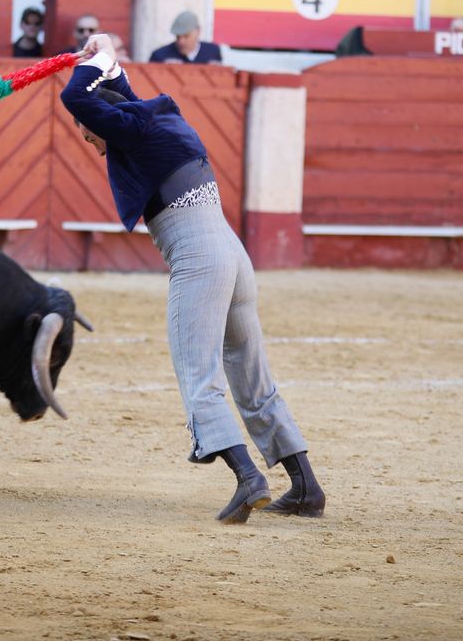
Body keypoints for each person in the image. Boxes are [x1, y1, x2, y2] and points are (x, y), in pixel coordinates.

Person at [60, 31, 322, 523]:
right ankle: (307, 488)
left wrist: (104, 58)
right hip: (235, 258)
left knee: (198, 373)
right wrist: (111, 68)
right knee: (251, 375)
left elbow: (75, 96)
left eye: (88, 133)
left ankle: (248, 479)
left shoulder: (129, 131)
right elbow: (123, 100)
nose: (92, 143)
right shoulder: (160, 119)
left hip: (200, 259)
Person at [150, 9, 222, 62]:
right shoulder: (160, 56)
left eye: (186, 36)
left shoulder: (212, 52)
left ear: (198, 31)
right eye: (178, 37)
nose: (181, 41)